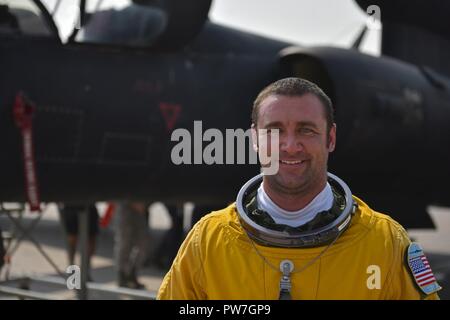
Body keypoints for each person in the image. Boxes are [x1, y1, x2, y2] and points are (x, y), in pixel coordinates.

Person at [157, 77, 442, 300]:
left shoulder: (387, 244)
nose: (290, 146)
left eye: (307, 130)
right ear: (255, 139)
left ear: (330, 138)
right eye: (275, 130)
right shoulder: (207, 242)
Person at [58, 203, 99, 281]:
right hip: (71, 204)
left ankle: (85, 271)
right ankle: (72, 270)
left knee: (91, 241)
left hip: (89, 204)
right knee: (72, 240)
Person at [114, 201, 149, 289]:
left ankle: (132, 274)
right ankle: (122, 275)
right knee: (124, 244)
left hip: (140, 210)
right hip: (126, 207)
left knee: (142, 244)